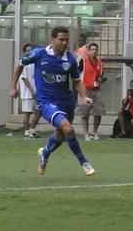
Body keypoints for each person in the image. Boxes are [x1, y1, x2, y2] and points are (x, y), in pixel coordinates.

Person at [12, 26, 96, 176]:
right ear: (53, 40)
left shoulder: (70, 59)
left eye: (67, 40)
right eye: (61, 39)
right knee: (68, 129)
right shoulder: (39, 54)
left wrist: (84, 96)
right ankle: (84, 162)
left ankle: (45, 153)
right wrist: (13, 87)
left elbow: (77, 81)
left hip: (66, 101)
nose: (64, 43)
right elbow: (20, 65)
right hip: (46, 102)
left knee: (60, 135)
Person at [75, 41, 105, 140]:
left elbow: (100, 75)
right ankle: (86, 133)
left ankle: (94, 132)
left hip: (96, 89)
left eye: (96, 49)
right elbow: (76, 74)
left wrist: (101, 79)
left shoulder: (100, 62)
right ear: (88, 51)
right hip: (85, 89)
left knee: (98, 112)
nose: (94, 51)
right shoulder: (83, 61)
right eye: (92, 49)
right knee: (85, 113)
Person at [12, 41, 40, 137]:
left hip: (37, 91)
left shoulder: (35, 61)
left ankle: (32, 129)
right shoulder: (24, 62)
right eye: (27, 50)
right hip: (27, 92)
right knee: (27, 113)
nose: (30, 52)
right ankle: (26, 131)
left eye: (31, 50)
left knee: (39, 111)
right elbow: (24, 78)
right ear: (24, 52)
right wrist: (32, 91)